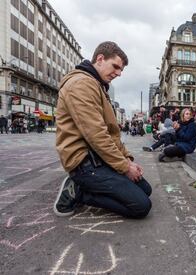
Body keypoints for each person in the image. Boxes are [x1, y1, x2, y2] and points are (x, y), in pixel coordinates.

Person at [54, 41, 152, 218]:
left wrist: (128, 160)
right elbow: (97, 136)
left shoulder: (97, 86)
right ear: (100, 59)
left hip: (99, 159)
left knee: (145, 189)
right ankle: (79, 191)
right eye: (115, 67)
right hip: (84, 164)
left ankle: (95, 187)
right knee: (141, 206)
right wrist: (124, 167)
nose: (119, 73)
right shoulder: (80, 84)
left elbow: (111, 134)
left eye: (121, 70)